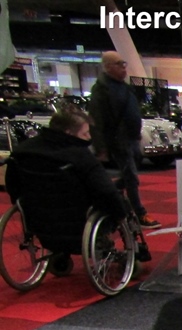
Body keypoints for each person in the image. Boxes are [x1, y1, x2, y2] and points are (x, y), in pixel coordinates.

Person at [5, 107, 132, 269]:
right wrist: (121, 213)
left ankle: (60, 254)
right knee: (117, 200)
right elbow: (106, 191)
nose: (89, 137)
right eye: (85, 133)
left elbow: (13, 186)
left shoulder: (22, 151)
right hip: (79, 222)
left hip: (38, 222)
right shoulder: (80, 155)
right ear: (69, 133)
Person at [88, 51, 160, 229]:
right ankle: (140, 213)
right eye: (119, 64)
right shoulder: (102, 90)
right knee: (131, 177)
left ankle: (110, 190)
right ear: (108, 67)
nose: (123, 68)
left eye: (124, 63)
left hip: (132, 138)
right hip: (118, 141)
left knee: (130, 176)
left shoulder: (124, 87)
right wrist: (101, 148)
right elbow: (96, 121)